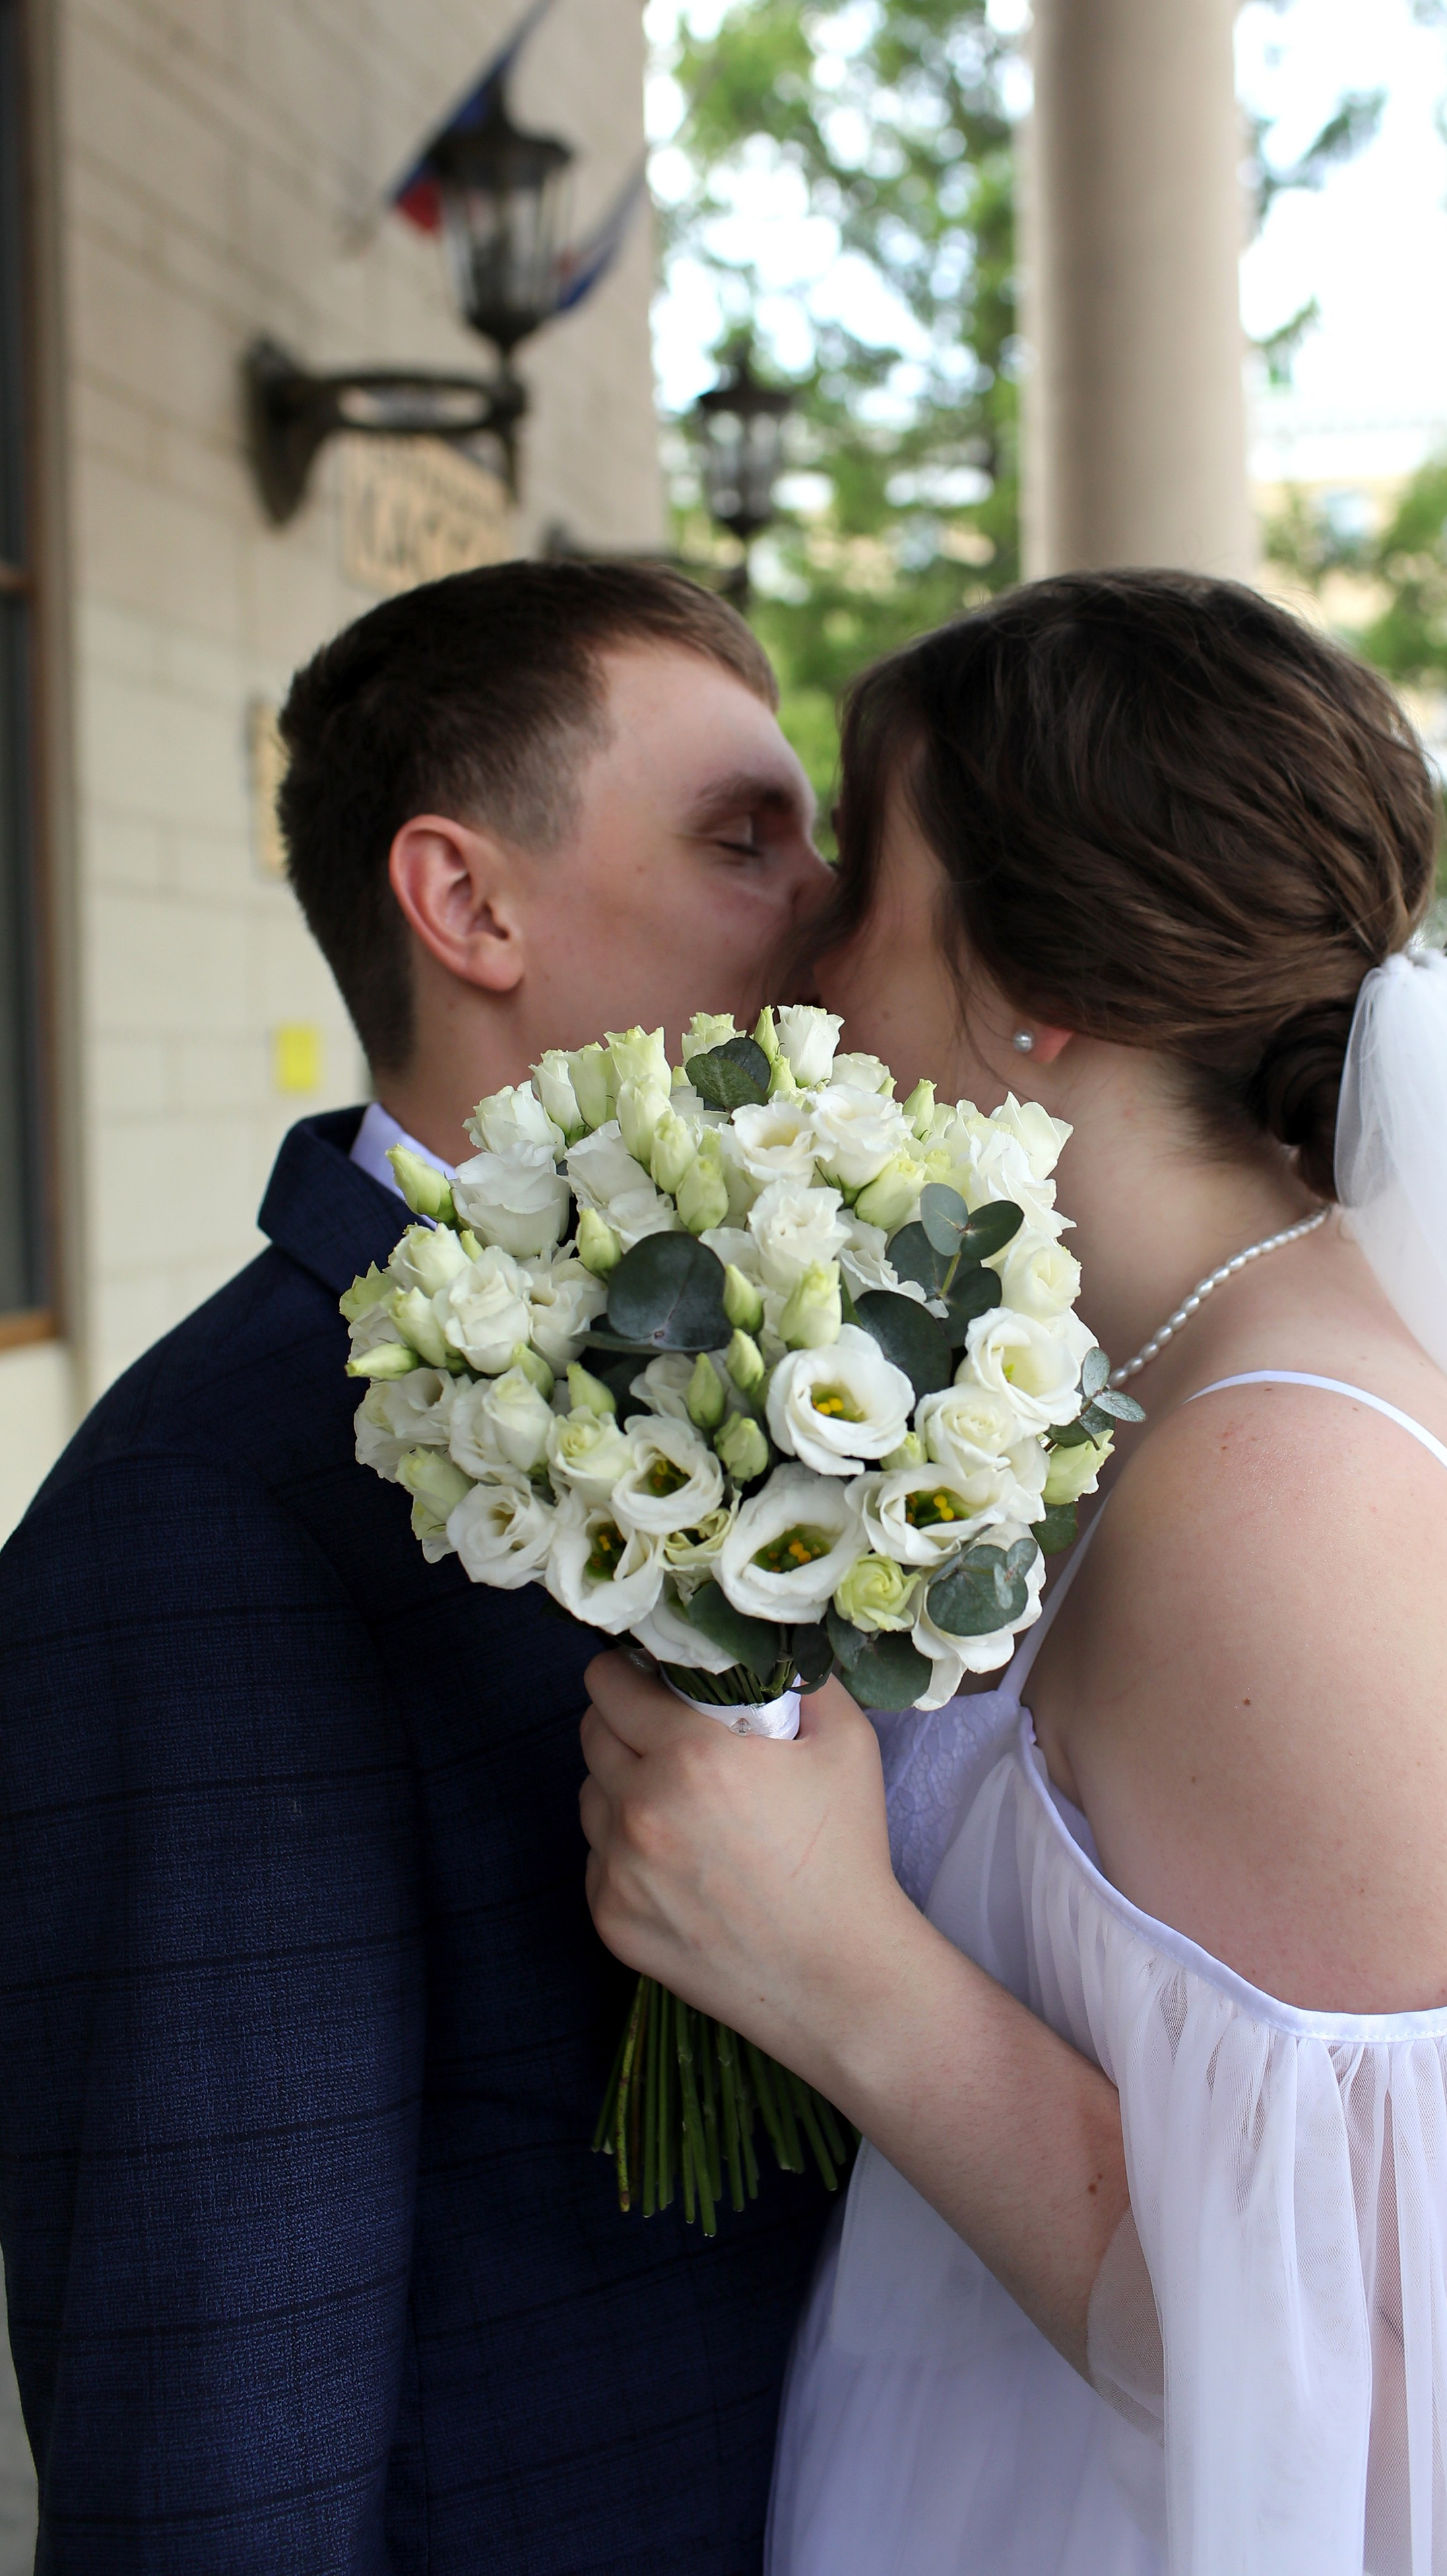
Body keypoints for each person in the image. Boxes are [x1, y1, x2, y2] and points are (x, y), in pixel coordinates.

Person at [577, 569, 1447, 2572]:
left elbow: (1427, 2403)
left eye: (862, 883)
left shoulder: (1292, 1489)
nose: (808, 956)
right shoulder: (1176, 1380)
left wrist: (836, 1973)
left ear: (1036, 994)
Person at [0, 560, 836, 2573]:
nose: (830, 910)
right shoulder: (205, 1515)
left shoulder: (801, 1355)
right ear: (470, 907)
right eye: (746, 842)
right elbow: (215, 2390)